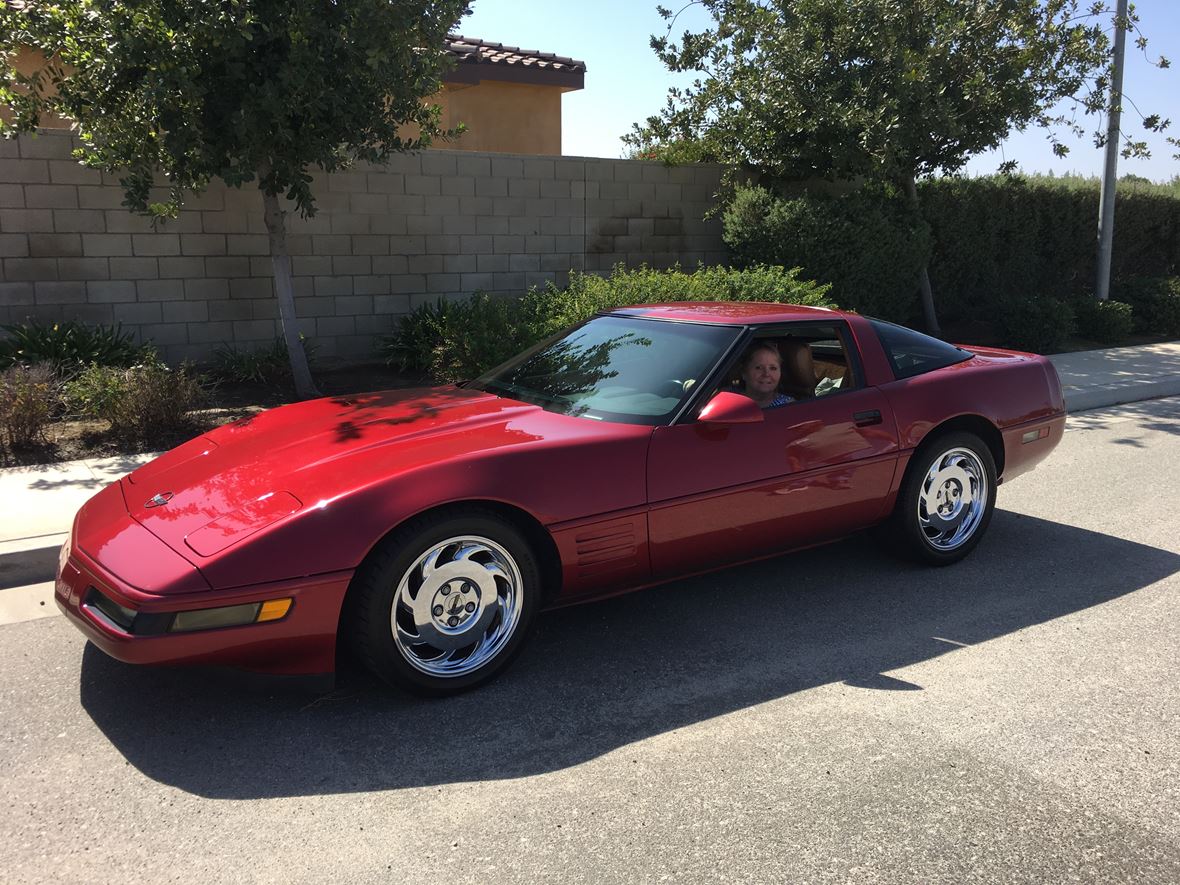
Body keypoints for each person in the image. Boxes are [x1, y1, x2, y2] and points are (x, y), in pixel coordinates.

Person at [739, 343, 794, 409]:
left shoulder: (789, 406)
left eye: (773, 368)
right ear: (744, 373)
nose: (766, 374)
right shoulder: (730, 401)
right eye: (758, 367)